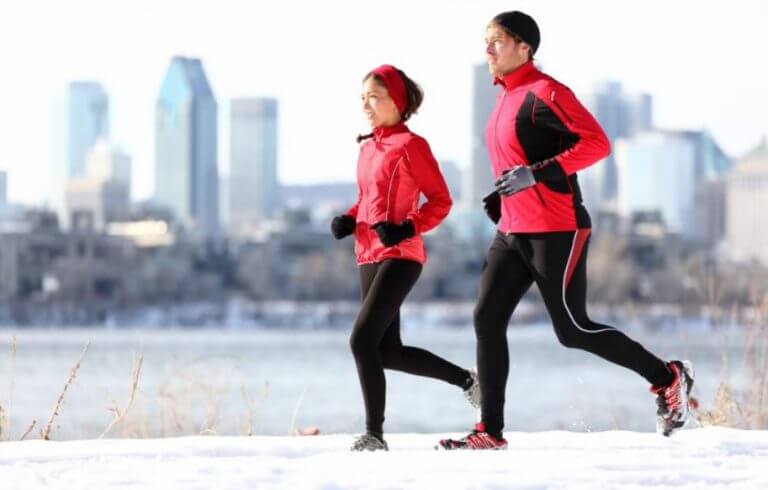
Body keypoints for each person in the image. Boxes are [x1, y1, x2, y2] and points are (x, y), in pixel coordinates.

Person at [438, 11, 695, 450]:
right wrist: (503, 195)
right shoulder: (504, 98)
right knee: (487, 318)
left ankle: (667, 377)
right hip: (512, 230)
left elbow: (596, 143)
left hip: (557, 228)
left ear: (525, 47)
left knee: (572, 329)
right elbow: (519, 159)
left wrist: (536, 176)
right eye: (486, 40)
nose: (488, 49)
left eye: (497, 40)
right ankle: (489, 432)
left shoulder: (547, 92)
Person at [331, 64, 480, 452]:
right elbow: (367, 200)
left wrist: (407, 227)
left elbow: (441, 201)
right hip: (367, 253)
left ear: (397, 101)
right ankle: (467, 380)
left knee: (361, 340)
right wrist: (349, 218)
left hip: (401, 253)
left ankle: (374, 435)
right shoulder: (367, 148)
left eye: (374, 97)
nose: (366, 104)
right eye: (363, 97)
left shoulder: (412, 146)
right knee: (387, 351)